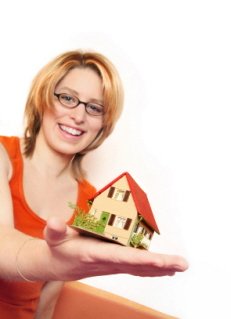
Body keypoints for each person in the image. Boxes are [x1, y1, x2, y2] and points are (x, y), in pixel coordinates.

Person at [0, 50, 188, 319]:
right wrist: (49, 261)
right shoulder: (2, 156)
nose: (79, 116)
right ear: (43, 97)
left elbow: (46, 304)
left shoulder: (93, 204)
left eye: (95, 108)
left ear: (103, 124)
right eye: (67, 98)